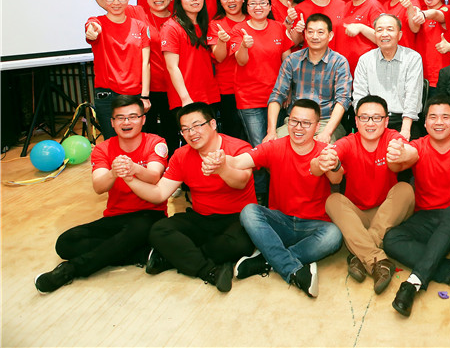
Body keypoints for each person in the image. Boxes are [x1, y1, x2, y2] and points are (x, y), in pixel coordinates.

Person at [34, 96, 168, 294]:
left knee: (137, 229)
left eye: (133, 116)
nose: (127, 122)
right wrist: (113, 173)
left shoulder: (156, 142)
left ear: (143, 119)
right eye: (120, 118)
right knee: (65, 243)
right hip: (116, 216)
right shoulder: (103, 148)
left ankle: (70, 270)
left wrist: (134, 169)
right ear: (112, 122)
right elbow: (98, 187)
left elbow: (154, 176)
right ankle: (140, 254)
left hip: (149, 215)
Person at [121, 102, 256, 293]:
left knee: (239, 244)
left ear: (213, 124)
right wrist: (130, 179)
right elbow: (159, 194)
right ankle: (210, 269)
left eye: (197, 125)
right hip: (202, 218)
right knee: (159, 230)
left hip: (237, 218)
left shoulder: (239, 147)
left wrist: (222, 169)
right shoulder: (181, 155)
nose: (192, 133)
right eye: (185, 129)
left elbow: (241, 181)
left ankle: (175, 258)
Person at [217, 99, 344, 297]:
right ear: (288, 121)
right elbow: (238, 161)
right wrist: (221, 160)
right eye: (294, 121)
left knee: (334, 235)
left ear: (317, 126)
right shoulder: (274, 147)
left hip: (313, 226)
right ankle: (292, 268)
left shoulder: (324, 151)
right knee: (249, 212)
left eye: (306, 123)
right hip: (280, 222)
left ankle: (267, 260)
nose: (298, 128)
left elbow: (337, 178)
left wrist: (334, 165)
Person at [382, 95, 450, 317]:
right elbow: (405, 157)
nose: (439, 122)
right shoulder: (418, 145)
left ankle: (414, 281)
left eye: (445, 117)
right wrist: (398, 154)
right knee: (391, 239)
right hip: (428, 216)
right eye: (433, 117)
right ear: (425, 123)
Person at [78, 0, 178, 150]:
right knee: (134, 139)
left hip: (169, 88)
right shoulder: (137, 13)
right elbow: (107, 2)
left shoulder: (177, 17)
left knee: (168, 136)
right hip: (144, 89)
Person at [324, 96, 416, 294]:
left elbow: (411, 152)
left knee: (405, 189)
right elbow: (333, 158)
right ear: (356, 121)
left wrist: (403, 153)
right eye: (364, 118)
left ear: (386, 121)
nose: (370, 123)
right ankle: (379, 260)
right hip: (357, 215)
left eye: (376, 118)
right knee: (333, 200)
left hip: (387, 213)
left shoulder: (392, 137)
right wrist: (329, 159)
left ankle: (360, 255)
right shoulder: (348, 142)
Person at [266, 13, 352, 144]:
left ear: (330, 35)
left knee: (323, 150)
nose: (315, 36)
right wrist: (271, 131)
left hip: (325, 121)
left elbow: (343, 100)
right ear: (305, 34)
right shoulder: (292, 60)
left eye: (320, 32)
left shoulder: (339, 62)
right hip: (295, 122)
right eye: (310, 32)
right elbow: (277, 95)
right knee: (273, 145)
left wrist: (327, 133)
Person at [83, 0, 151, 138]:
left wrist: (145, 96)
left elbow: (146, 63)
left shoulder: (140, 26)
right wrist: (92, 31)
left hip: (135, 95)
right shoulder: (97, 22)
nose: (116, 2)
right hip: (107, 96)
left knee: (136, 140)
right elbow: (92, 28)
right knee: (112, 141)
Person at [230, 0, 290, 147]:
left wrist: (289, 90)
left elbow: (287, 63)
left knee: (279, 145)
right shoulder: (239, 29)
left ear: (270, 6)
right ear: (247, 6)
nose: (258, 7)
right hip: (250, 100)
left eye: (263, 3)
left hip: (277, 97)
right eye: (253, 3)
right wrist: (244, 46)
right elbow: (241, 61)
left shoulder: (279, 27)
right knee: (260, 147)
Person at [352, 14, 424, 141]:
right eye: (379, 30)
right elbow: (359, 96)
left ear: (399, 35)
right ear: (375, 34)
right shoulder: (365, 60)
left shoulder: (412, 58)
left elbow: (413, 96)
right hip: (373, 121)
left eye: (390, 29)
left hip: (403, 120)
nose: (384, 34)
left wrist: (405, 129)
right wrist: (367, 122)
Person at [161, 0, 220, 111]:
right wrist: (185, 98)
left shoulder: (205, 25)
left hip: (209, 94)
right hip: (186, 99)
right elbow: (172, 67)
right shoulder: (171, 27)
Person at [209, 0, 249, 141]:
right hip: (228, 89)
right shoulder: (216, 24)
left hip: (254, 88)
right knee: (233, 137)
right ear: (220, 1)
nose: (230, 0)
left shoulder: (254, 19)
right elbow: (219, 57)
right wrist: (221, 41)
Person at [337, 0, 383, 74]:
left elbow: (383, 38)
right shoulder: (346, 6)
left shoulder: (374, 6)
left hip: (365, 70)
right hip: (344, 69)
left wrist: (361, 28)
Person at [413, 0, 450, 90]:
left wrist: (423, 14)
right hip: (419, 75)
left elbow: (435, 14)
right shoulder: (419, 10)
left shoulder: (447, 9)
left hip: (439, 78)